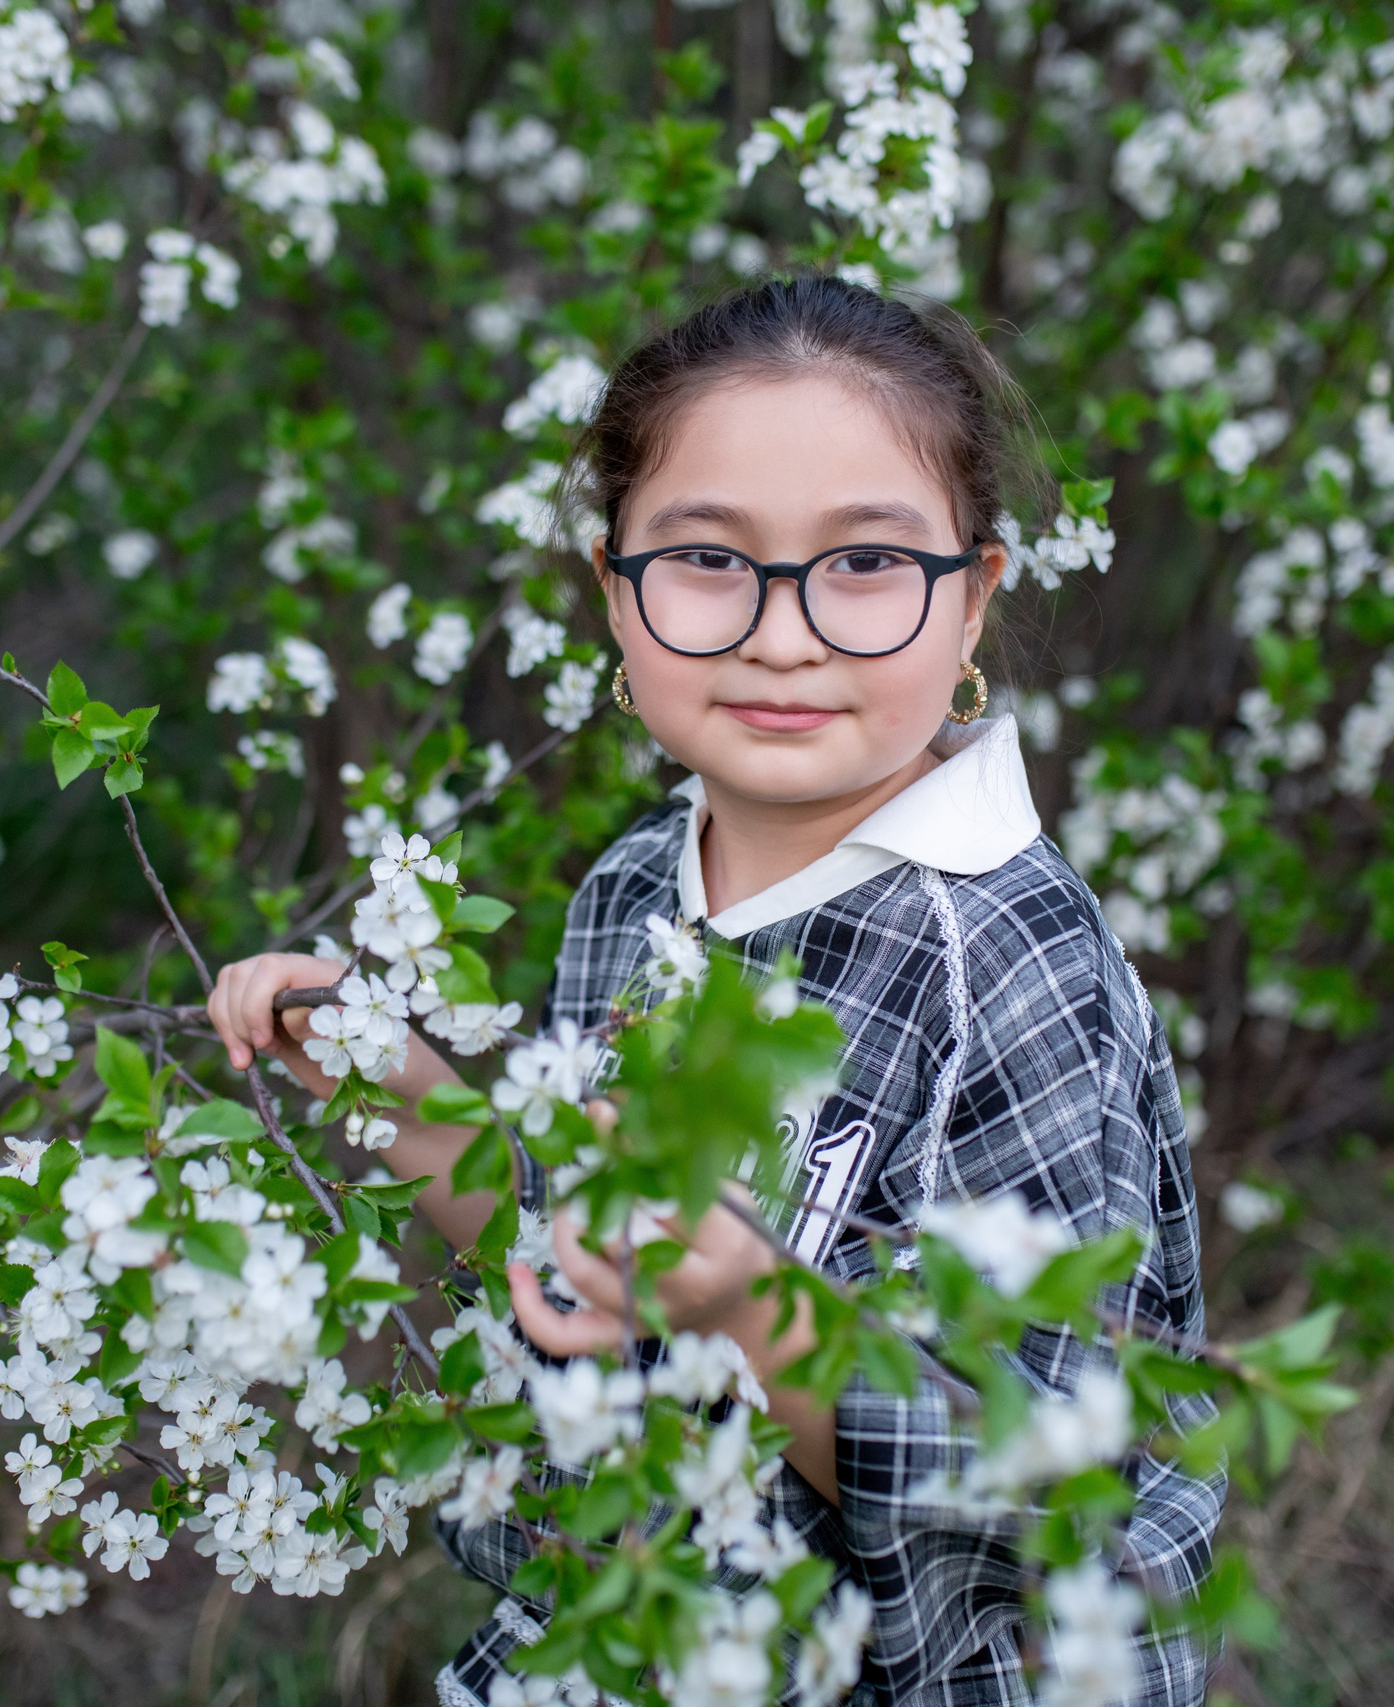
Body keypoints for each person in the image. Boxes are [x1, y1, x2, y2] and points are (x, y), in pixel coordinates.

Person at [205, 276, 1222, 1707]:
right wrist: (405, 1099)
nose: (784, 633)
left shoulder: (1008, 961)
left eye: (866, 563)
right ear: (616, 591)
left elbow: (1058, 1504)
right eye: (707, 559)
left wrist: (762, 1309)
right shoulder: (636, 888)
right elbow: (585, 1244)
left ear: (975, 594)